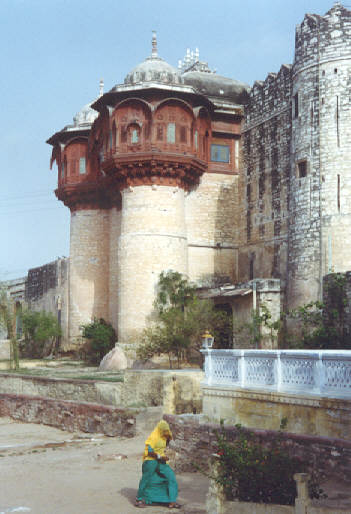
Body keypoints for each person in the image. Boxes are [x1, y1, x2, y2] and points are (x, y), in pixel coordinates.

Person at [135, 420, 181, 509]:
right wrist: (160, 457)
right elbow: (150, 452)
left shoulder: (165, 434)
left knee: (170, 477)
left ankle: (172, 500)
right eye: (164, 431)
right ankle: (139, 499)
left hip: (161, 461)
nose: (165, 433)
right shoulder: (153, 436)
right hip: (150, 460)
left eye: (166, 431)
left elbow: (169, 440)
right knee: (146, 479)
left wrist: (168, 439)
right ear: (160, 430)